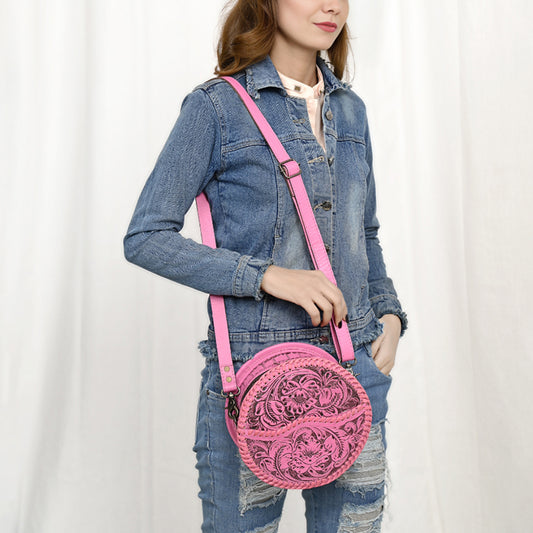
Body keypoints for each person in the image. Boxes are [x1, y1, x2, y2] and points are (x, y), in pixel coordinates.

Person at [123, 0, 408, 530]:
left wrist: (389, 314)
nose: (331, 6)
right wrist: (268, 277)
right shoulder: (216, 108)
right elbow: (146, 237)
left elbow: (364, 233)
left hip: (355, 368)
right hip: (255, 378)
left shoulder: (351, 111)